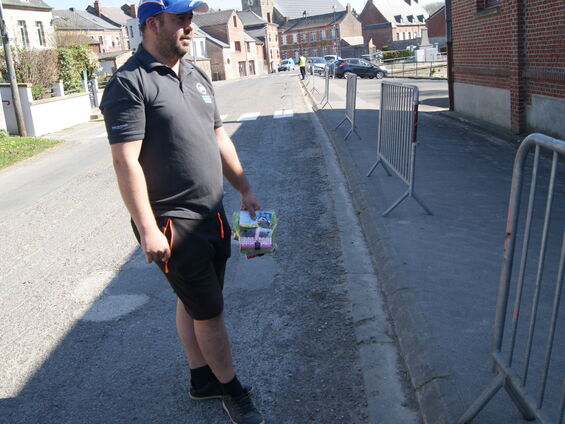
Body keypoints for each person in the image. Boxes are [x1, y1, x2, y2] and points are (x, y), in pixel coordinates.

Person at [99, 1, 264, 423]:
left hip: (213, 213)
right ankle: (231, 389)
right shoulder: (129, 83)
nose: (191, 27)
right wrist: (148, 228)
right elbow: (126, 162)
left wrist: (243, 187)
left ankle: (201, 379)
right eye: (181, 19)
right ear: (153, 24)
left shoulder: (194, 74)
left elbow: (218, 137)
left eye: (191, 17)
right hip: (174, 223)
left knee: (194, 300)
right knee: (210, 312)